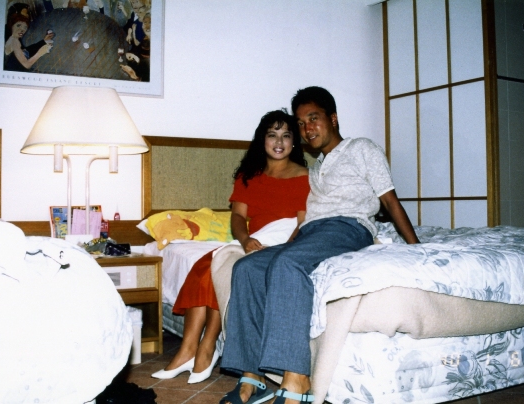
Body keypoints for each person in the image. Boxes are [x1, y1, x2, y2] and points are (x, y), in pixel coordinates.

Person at [219, 87, 420, 404]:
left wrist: (416, 248)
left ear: (333, 118)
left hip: (347, 226)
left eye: (313, 118)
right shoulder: (314, 169)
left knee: (288, 265)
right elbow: (298, 216)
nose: (306, 128)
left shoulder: (362, 148)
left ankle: (297, 380)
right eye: (301, 123)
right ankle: (253, 376)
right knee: (248, 267)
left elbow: (390, 200)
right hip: (311, 233)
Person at [151, 109, 310, 385]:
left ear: (294, 142)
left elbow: (302, 223)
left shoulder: (304, 176)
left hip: (284, 243)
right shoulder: (249, 176)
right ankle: (189, 349)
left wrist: (285, 249)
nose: (279, 142)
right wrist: (245, 240)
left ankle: (206, 348)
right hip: (253, 240)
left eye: (286, 135)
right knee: (206, 265)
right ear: (262, 140)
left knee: (222, 269)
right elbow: (237, 217)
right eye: (272, 135)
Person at [4, 4, 53, 72]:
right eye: (18, 25)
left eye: (25, 27)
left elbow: (26, 51)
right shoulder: (13, 39)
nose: (22, 30)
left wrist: (44, 41)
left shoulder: (15, 37)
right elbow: (26, 65)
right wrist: (41, 52)